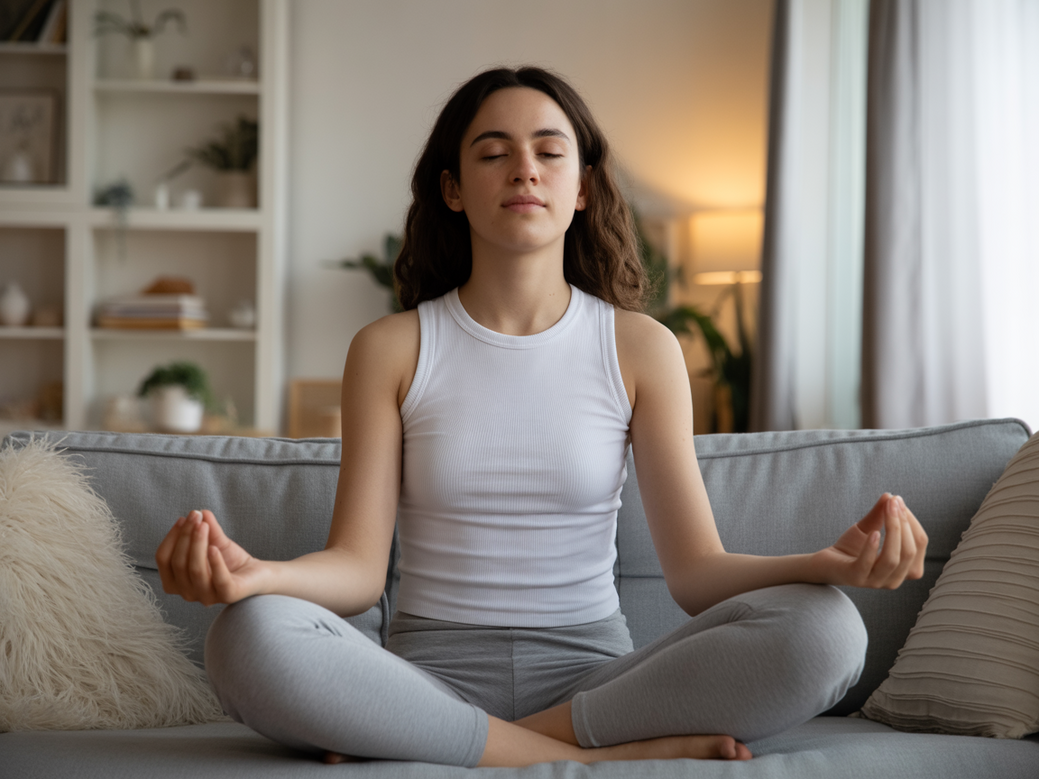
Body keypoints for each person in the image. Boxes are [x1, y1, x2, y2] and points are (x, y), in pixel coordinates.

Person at [156, 66, 928, 768]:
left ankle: (457, 741)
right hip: (424, 672)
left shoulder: (639, 347)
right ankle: (591, 757)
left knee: (827, 629)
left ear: (582, 187)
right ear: (453, 188)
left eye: (549, 151)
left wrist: (828, 565)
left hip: (598, 680)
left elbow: (698, 576)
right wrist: (257, 576)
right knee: (250, 633)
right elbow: (358, 571)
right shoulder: (390, 347)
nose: (523, 167)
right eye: (493, 152)